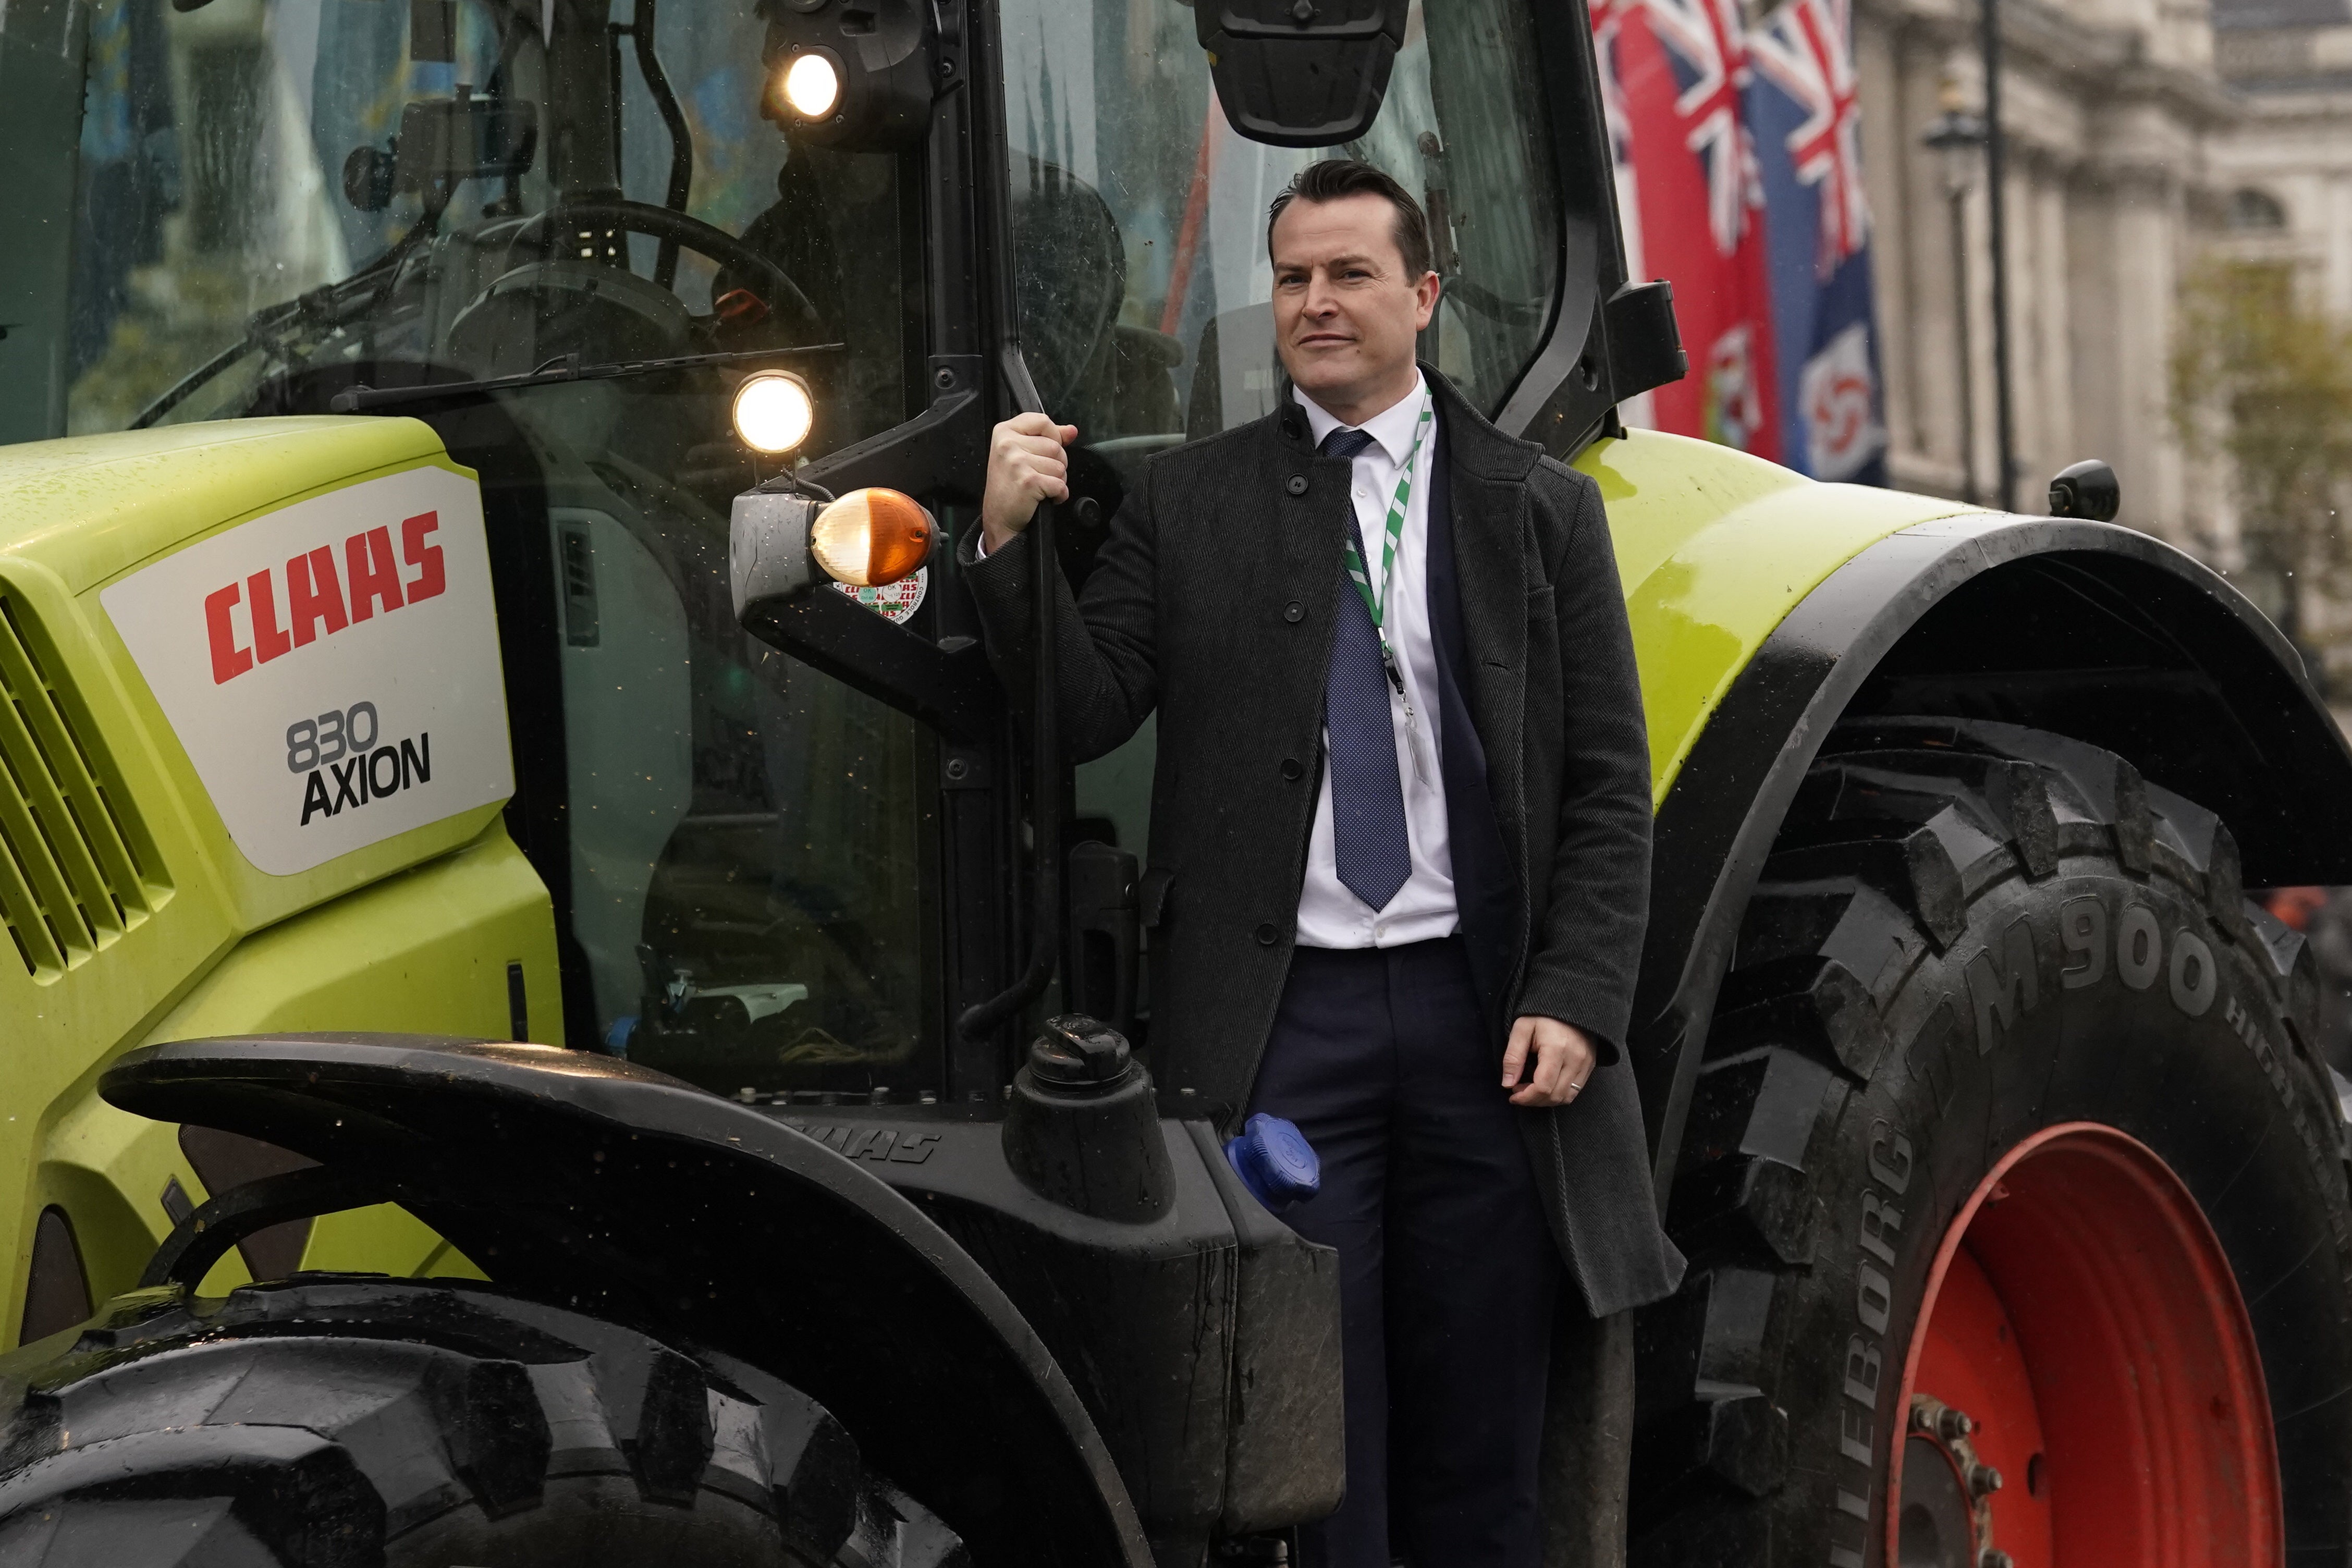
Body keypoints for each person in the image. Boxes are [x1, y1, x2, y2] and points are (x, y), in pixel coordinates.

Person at [961, 158, 1683, 1568]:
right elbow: (1083, 712)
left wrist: (1579, 995)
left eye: (1349, 274)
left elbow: (1608, 783)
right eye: (1292, 278)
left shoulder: (1540, 509)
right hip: (1290, 1031)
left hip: (1492, 1030)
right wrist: (1004, 543)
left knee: (1484, 1442)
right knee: (1311, 1443)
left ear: (1422, 296)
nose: (1315, 302)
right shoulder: (1190, 505)